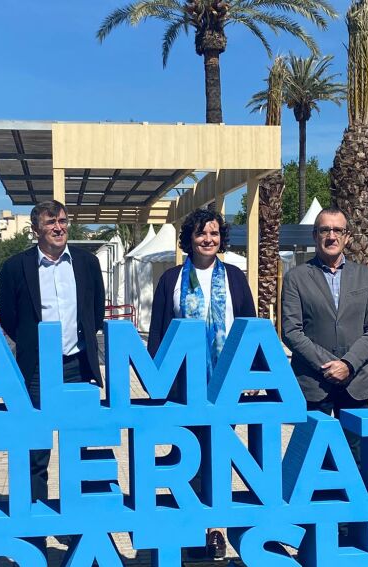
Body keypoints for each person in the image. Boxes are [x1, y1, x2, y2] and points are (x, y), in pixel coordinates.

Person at [147, 207, 255, 560]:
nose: (208, 239)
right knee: (187, 457)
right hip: (184, 387)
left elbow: (249, 327)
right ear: (189, 239)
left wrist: (252, 373)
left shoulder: (235, 277)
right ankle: (190, 529)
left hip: (225, 386)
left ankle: (214, 530)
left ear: (221, 238)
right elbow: (158, 335)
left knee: (218, 457)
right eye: (200, 233)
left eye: (213, 233)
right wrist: (158, 383)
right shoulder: (172, 279)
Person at [0, 200, 105, 505]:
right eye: (50, 222)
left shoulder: (87, 263)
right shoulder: (15, 267)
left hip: (77, 367)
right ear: (35, 230)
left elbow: (95, 312)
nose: (58, 228)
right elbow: (9, 318)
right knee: (35, 449)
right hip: (36, 371)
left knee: (80, 446)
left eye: (62, 221)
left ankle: (79, 518)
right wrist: (32, 346)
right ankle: (36, 520)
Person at [281, 206, 368, 461]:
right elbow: (291, 331)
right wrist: (329, 365)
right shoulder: (296, 278)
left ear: (347, 236)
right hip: (314, 383)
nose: (331, 236)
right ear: (314, 235)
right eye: (325, 230)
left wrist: (348, 364)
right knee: (311, 458)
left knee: (355, 458)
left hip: (355, 383)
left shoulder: (365, 277)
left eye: (338, 230)